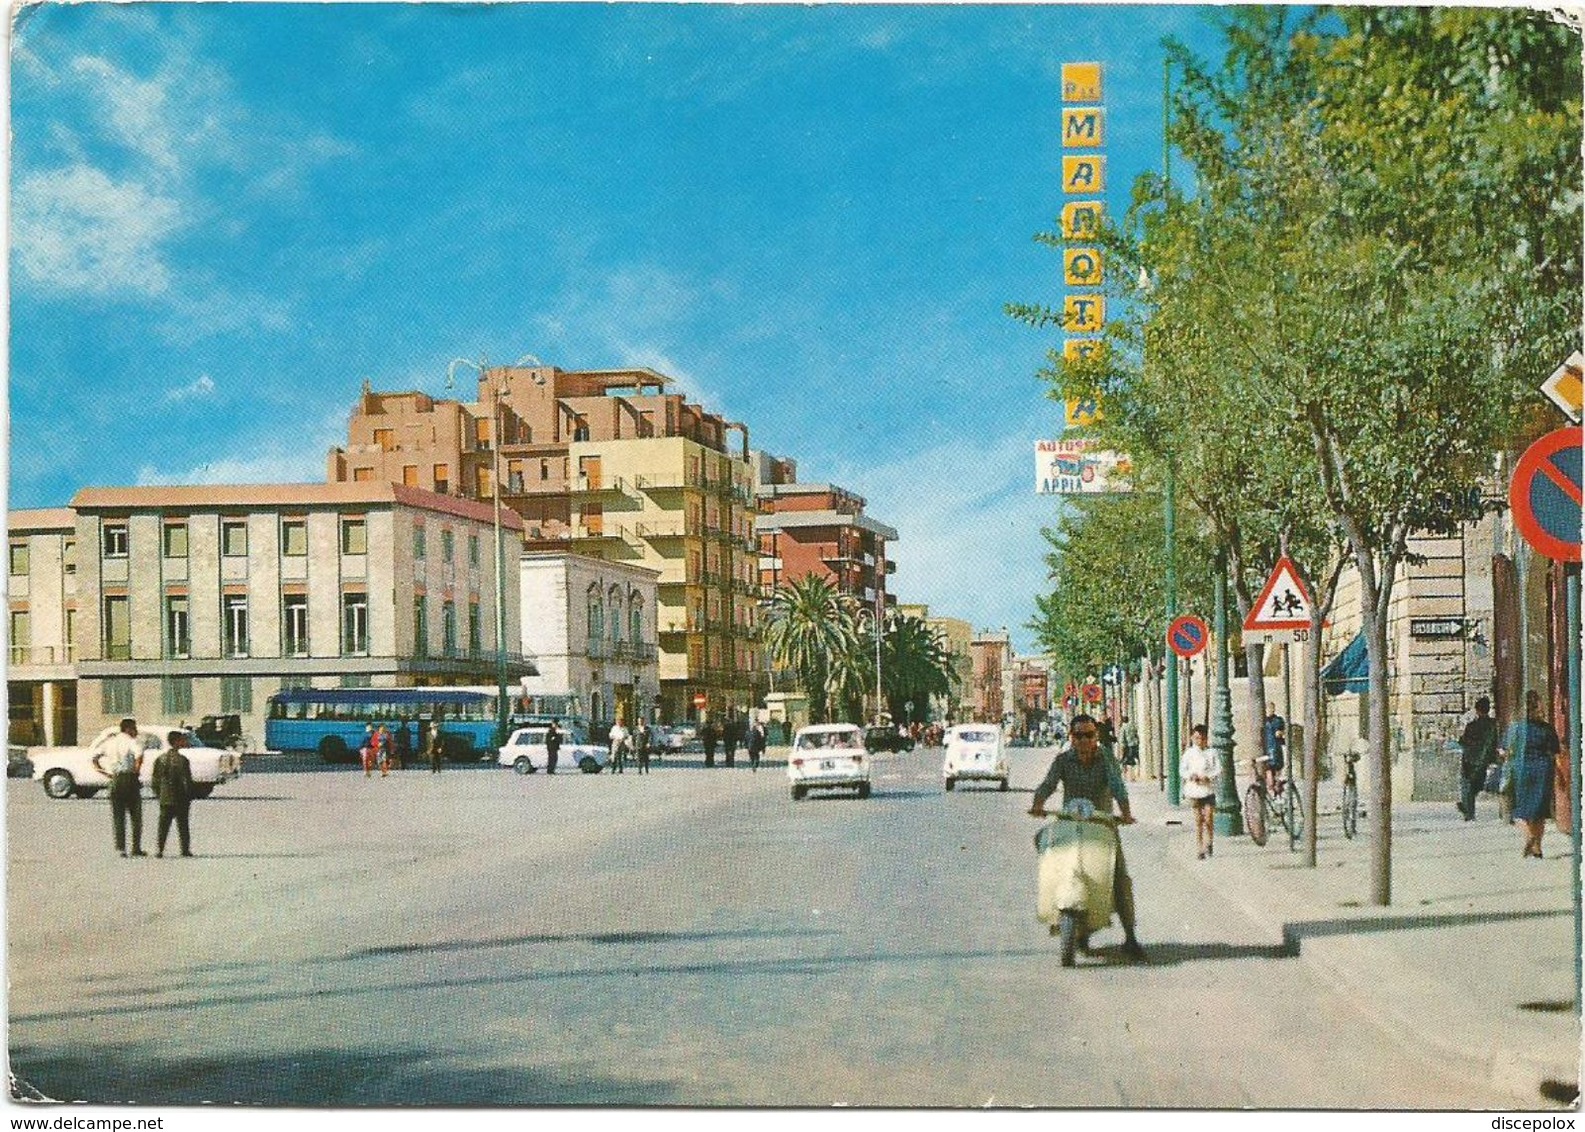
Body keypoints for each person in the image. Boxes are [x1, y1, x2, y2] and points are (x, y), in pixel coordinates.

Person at [1027, 713, 1146, 961]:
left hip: (1101, 824)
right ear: (1071, 738)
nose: (1084, 740)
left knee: (1119, 876)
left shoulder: (1105, 759)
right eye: (1078, 735)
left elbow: (1117, 786)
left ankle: (1130, 936)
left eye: (1089, 735)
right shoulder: (1062, 760)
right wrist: (1038, 804)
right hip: (1070, 824)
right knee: (1048, 850)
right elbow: (1048, 784)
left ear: (1096, 737)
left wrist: (1125, 813)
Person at [1502, 691, 1561, 859]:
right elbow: (1555, 752)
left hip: (1521, 769)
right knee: (1539, 812)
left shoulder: (1516, 728)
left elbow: (1504, 749)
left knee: (1520, 810)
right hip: (1543, 770)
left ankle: (1529, 837)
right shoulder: (1547, 729)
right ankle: (1538, 848)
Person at [93, 718, 147, 858]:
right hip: (129, 779)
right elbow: (139, 756)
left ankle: (121, 848)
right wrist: (136, 770)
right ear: (129, 729)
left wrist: (103, 771)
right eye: (134, 729)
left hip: (115, 779)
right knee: (135, 816)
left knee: (118, 815)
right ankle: (136, 847)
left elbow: (95, 757)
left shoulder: (110, 742)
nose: (136, 732)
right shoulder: (131, 741)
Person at [151, 729, 196, 858]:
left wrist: (159, 794)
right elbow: (187, 780)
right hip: (180, 797)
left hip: (165, 797)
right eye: (182, 740)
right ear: (176, 742)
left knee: (163, 826)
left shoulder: (160, 759)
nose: (184, 742)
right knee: (183, 825)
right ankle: (185, 849)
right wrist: (189, 795)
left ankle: (159, 849)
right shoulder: (183, 760)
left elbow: (155, 780)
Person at [1179, 724, 1219, 860]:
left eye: (1202, 738)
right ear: (1192, 738)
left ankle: (1210, 841)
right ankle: (1199, 847)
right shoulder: (1189, 753)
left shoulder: (1211, 753)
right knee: (1198, 820)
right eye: (1196, 738)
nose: (1199, 741)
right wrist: (1191, 775)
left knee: (1208, 817)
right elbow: (1182, 770)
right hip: (1194, 790)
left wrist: (1208, 776)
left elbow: (1218, 769)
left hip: (1208, 789)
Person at [1457, 697, 1498, 821]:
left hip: (1470, 759)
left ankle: (1468, 811)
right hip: (1485, 759)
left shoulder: (1472, 726)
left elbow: (1463, 741)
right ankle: (1467, 809)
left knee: (1467, 785)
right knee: (1477, 784)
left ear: (1477, 710)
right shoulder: (1493, 725)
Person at [1260, 703, 1286, 795]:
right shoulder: (1263, 721)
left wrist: (1280, 733)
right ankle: (1271, 788)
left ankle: (1277, 788)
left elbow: (1281, 732)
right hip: (1267, 749)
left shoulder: (1278, 720)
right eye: (1268, 709)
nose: (1270, 711)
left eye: (1272, 709)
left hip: (1275, 749)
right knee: (1269, 771)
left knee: (1276, 771)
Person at [1120, 715, 1140, 779]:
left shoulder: (1123, 727)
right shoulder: (1133, 726)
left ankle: (1130, 776)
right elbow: (1136, 734)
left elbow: (1122, 738)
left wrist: (1122, 747)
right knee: (1135, 758)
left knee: (1128, 760)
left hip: (1128, 745)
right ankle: (1136, 773)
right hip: (1135, 744)